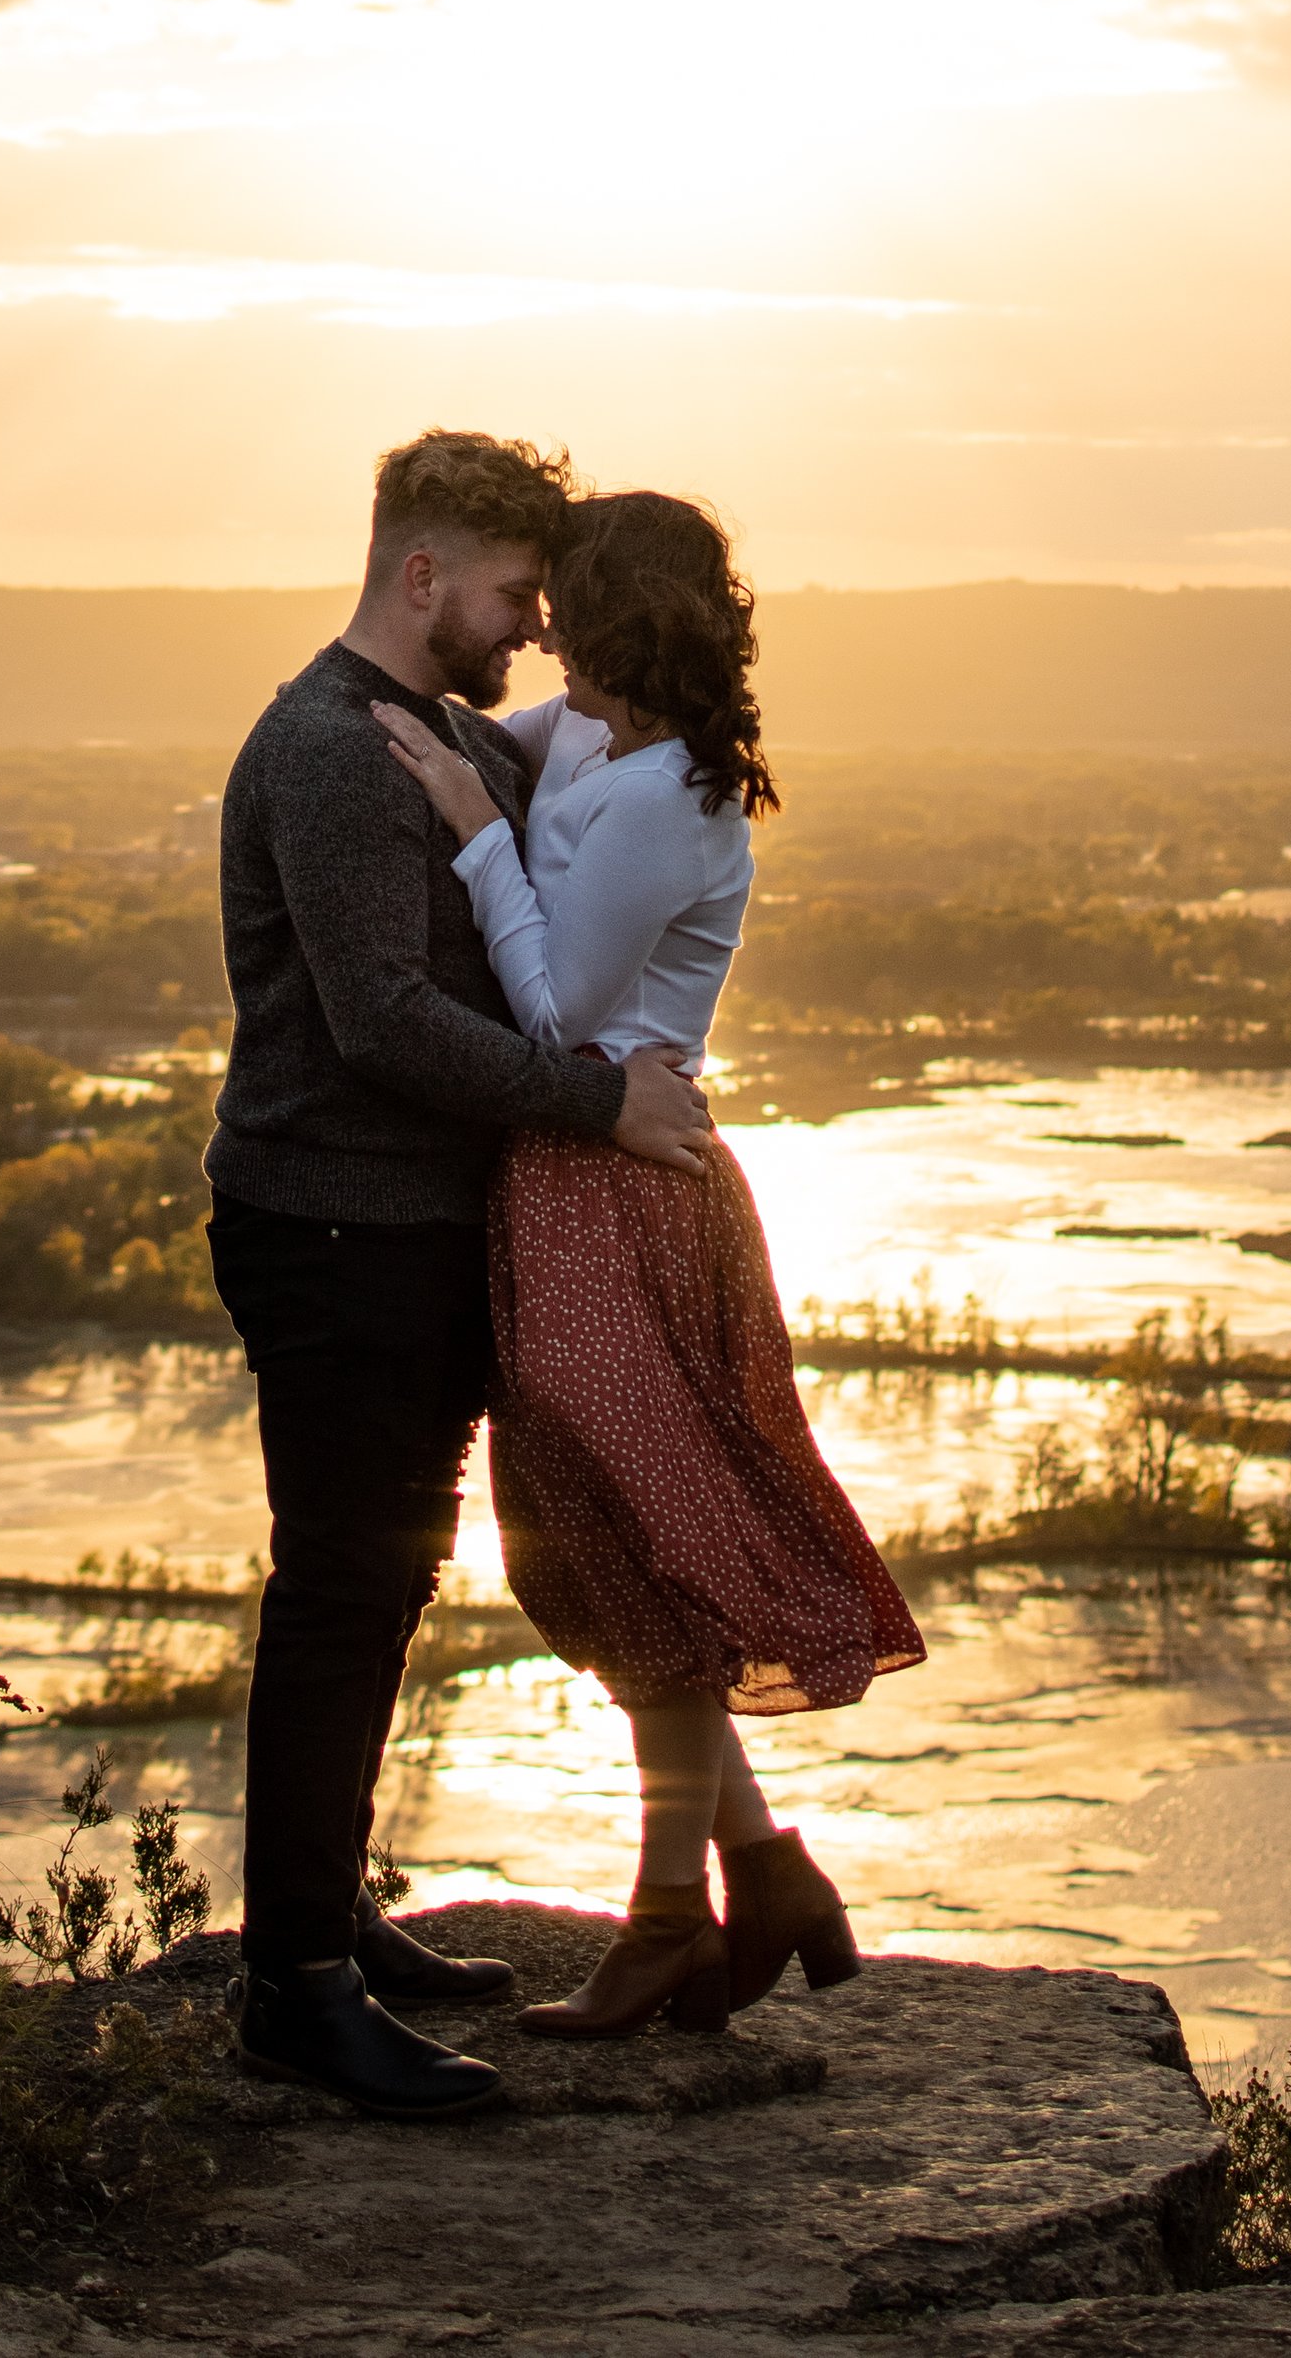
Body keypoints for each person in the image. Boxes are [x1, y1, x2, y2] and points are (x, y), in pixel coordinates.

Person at [204, 429, 717, 2121]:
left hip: (410, 1229)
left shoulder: (438, 728)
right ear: (422, 577)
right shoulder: (339, 753)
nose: (533, 630)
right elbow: (387, 1022)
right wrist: (599, 1102)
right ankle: (296, 1989)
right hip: (334, 1225)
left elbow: (606, 787)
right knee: (342, 1585)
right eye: (511, 596)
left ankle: (329, 1906)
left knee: (389, 1580)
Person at [375, 488, 924, 2043]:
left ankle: (675, 1912)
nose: (540, 622)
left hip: (622, 1186)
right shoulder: (600, 745)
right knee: (591, 1536)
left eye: (563, 600)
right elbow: (511, 743)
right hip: (560, 1190)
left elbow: (556, 1014)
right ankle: (760, 1873)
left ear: (618, 615)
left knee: (637, 1532)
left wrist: (476, 839)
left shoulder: (674, 792)